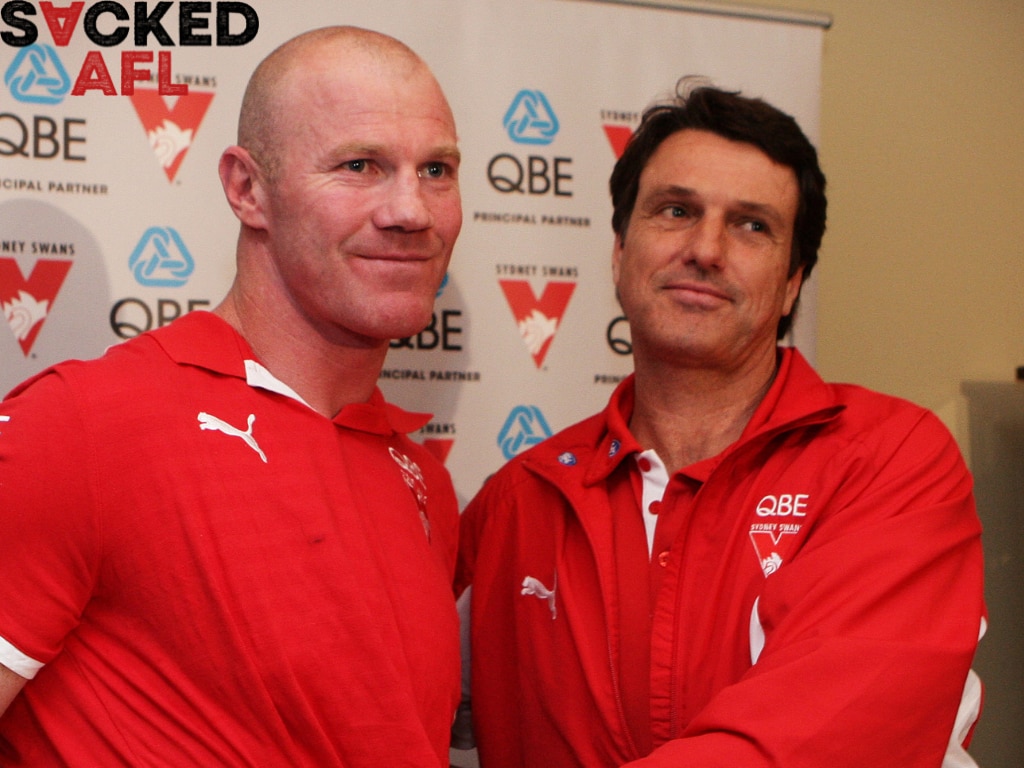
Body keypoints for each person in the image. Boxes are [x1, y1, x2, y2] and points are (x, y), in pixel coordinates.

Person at [455, 80, 985, 768]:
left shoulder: (888, 461)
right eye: (676, 210)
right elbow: (366, 706)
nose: (705, 248)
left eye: (751, 225)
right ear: (619, 253)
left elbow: (819, 743)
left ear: (793, 281)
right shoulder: (518, 501)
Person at [0, 26, 463, 766]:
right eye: (360, 165)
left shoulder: (425, 486)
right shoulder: (83, 427)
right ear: (248, 190)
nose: (412, 210)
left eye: (437, 169)